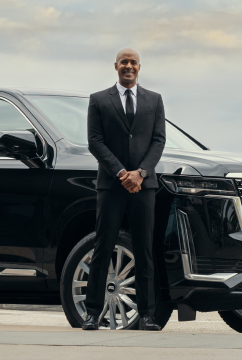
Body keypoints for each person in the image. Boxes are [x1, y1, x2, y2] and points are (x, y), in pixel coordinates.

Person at [83, 48, 167, 331]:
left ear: (139, 67)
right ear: (115, 66)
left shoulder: (154, 100)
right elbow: (94, 141)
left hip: (144, 185)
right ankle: (92, 313)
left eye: (133, 62)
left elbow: (158, 141)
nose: (128, 66)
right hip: (111, 184)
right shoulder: (98, 100)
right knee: (102, 246)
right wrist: (121, 173)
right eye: (124, 62)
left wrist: (140, 173)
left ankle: (147, 315)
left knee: (144, 249)